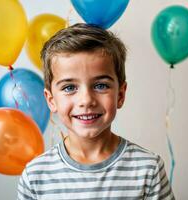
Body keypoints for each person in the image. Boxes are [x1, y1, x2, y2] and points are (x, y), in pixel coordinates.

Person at [17, 23, 175, 200]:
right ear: (51, 100)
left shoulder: (148, 169)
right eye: (69, 87)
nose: (86, 100)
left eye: (100, 86)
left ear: (120, 95)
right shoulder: (35, 177)